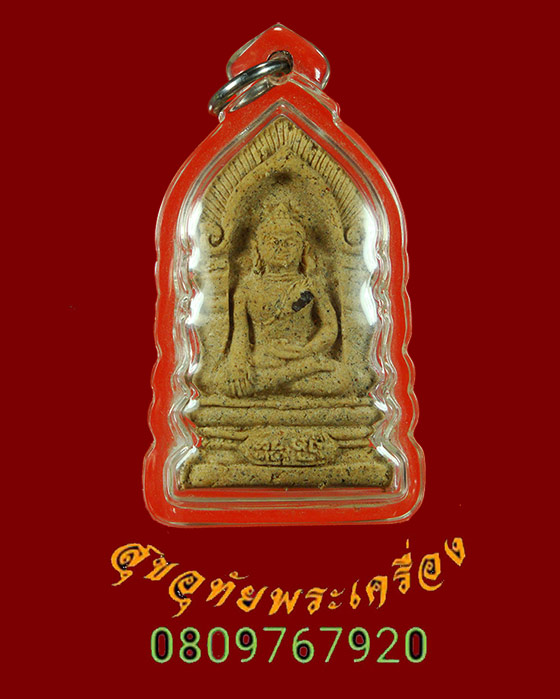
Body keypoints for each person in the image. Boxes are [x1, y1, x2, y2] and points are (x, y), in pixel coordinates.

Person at [223, 208, 351, 398]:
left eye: (290, 243)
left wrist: (307, 351)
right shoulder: (247, 289)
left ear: (304, 249)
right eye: (272, 242)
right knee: (225, 382)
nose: (281, 248)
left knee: (342, 378)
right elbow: (240, 333)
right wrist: (238, 364)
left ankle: (276, 383)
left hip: (302, 356)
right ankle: (292, 378)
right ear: (257, 248)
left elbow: (330, 327)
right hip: (263, 361)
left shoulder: (310, 286)